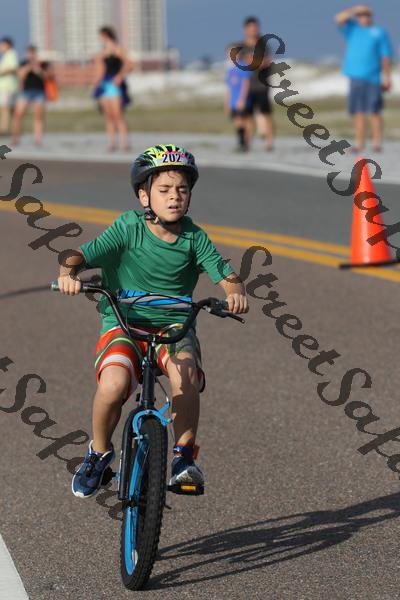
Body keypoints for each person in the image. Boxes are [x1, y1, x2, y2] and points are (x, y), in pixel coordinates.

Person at [56, 144, 248, 498]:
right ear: (144, 195)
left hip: (173, 328)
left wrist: (234, 292)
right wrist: (68, 273)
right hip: (124, 325)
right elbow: (78, 255)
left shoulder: (194, 237)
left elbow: (226, 274)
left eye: (182, 189)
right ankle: (98, 453)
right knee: (113, 385)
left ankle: (183, 458)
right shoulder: (128, 228)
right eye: (164, 189)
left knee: (185, 376)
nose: (175, 197)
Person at [335, 5, 393, 152]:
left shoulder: (379, 32)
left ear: (370, 16)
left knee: (375, 111)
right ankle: (359, 143)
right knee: (358, 111)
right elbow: (338, 18)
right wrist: (355, 9)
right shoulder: (352, 28)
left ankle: (377, 143)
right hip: (355, 77)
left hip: (373, 78)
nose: (363, 17)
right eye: (360, 15)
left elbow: (386, 56)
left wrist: (387, 77)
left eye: (366, 15)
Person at [93, 26, 134, 152]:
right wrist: (96, 83)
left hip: (114, 85)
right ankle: (112, 143)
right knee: (108, 116)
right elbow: (100, 70)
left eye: (101, 36)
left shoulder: (118, 49)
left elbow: (129, 64)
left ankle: (125, 143)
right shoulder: (102, 52)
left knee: (118, 115)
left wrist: (120, 76)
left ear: (106, 35)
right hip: (104, 85)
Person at [242, 17, 274, 151]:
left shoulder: (263, 44)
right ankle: (247, 143)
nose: (253, 30)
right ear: (245, 29)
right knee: (247, 115)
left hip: (262, 84)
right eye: (250, 27)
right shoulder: (243, 46)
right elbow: (243, 64)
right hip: (247, 86)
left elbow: (267, 61)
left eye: (255, 27)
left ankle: (269, 143)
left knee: (266, 113)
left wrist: (255, 62)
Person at [11, 45, 52, 146]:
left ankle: (37, 139)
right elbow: (20, 76)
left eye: (32, 52)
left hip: (39, 92)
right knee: (17, 115)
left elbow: (48, 77)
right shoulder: (23, 63)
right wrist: (28, 67)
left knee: (38, 116)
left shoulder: (43, 64)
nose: (31, 55)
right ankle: (15, 138)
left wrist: (39, 70)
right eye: (29, 53)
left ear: (35, 53)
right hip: (26, 92)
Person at [225, 44, 253, 151]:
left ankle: (245, 144)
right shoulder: (230, 70)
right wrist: (227, 103)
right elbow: (228, 88)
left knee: (244, 121)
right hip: (233, 101)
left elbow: (246, 84)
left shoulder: (243, 66)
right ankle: (241, 143)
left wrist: (242, 99)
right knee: (237, 121)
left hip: (242, 100)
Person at [0, 37, 18, 136]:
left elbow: (13, 67)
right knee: (7, 109)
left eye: (2, 45)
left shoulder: (11, 54)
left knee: (6, 108)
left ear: (8, 45)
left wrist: (1, 72)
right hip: (5, 87)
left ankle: (4, 129)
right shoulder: (6, 56)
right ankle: (10, 129)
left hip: (8, 87)